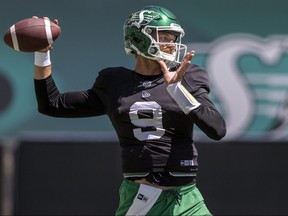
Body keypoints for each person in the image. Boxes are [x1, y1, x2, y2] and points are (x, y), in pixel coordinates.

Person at [33, 5, 226, 216]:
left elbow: (217, 130)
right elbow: (52, 104)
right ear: (140, 38)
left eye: (173, 38)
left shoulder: (189, 76)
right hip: (141, 199)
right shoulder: (115, 83)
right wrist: (42, 54)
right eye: (164, 36)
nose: (171, 44)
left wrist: (177, 91)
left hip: (187, 199)